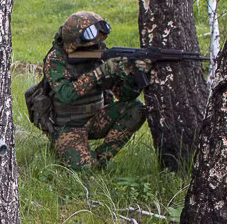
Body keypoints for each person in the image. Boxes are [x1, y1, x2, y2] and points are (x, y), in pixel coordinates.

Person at [43, 11, 150, 169]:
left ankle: (102, 158)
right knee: (85, 169)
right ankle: (70, 150)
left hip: (96, 119)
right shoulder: (56, 59)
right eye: (91, 44)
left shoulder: (101, 55)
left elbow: (124, 95)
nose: (95, 47)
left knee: (136, 108)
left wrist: (132, 75)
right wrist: (100, 72)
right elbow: (65, 95)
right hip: (68, 126)